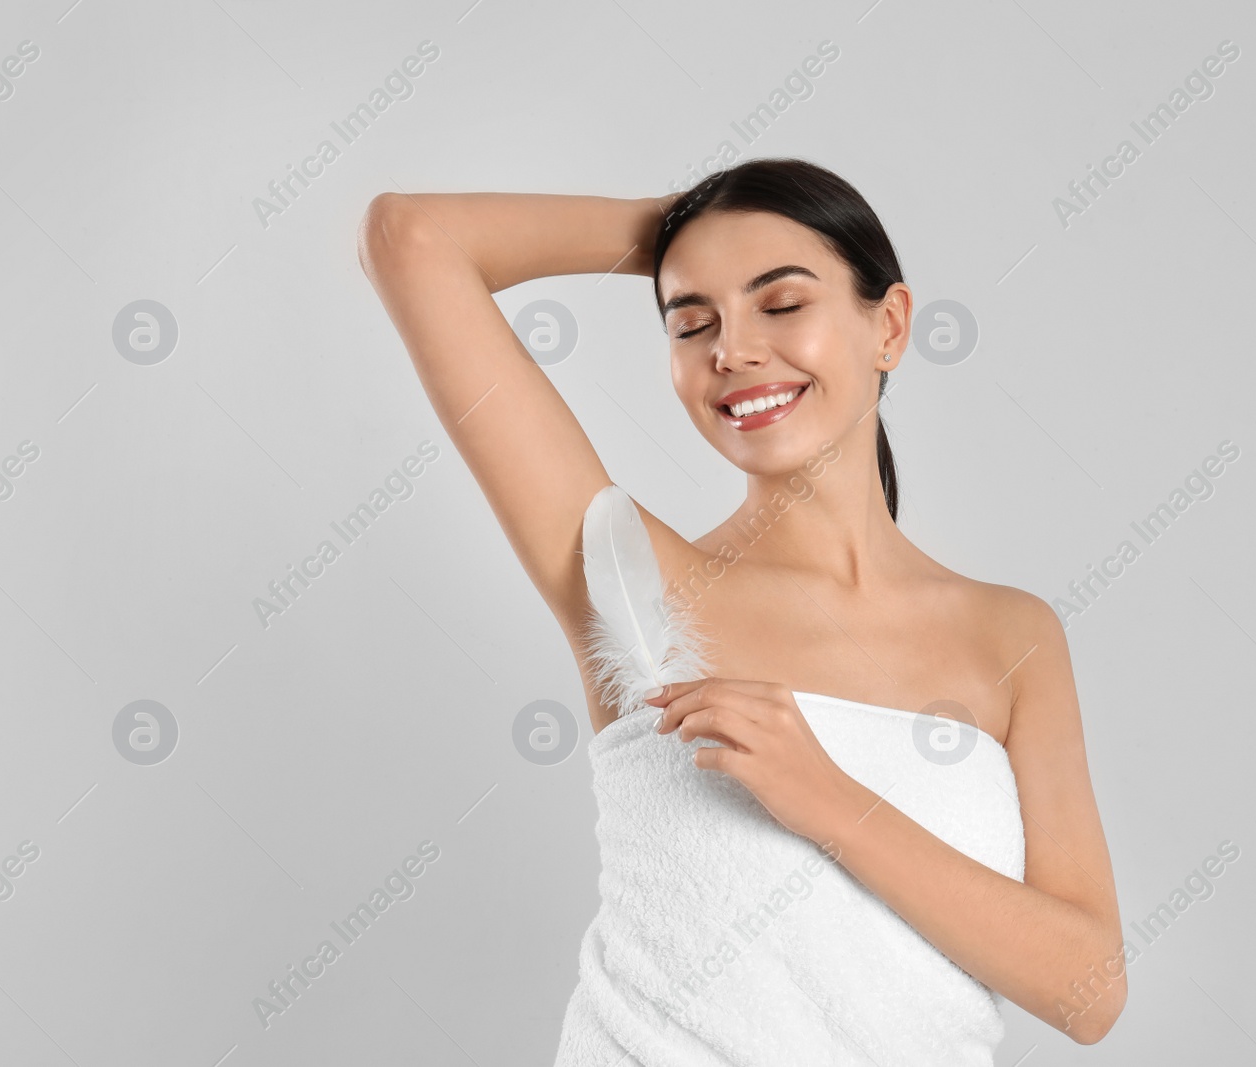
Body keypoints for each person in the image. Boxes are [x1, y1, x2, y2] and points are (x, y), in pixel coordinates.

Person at [357, 157, 1126, 1057]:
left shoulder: (1011, 635)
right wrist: (686, 226)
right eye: (693, 321)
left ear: (890, 325)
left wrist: (829, 799)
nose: (732, 348)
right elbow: (410, 238)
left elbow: (1090, 993)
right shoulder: (635, 582)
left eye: (781, 302)